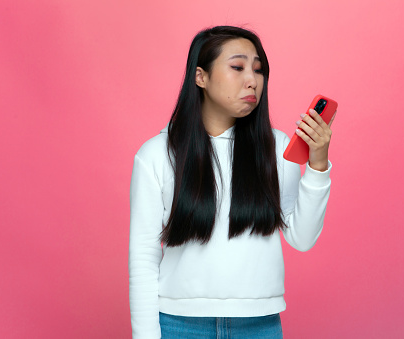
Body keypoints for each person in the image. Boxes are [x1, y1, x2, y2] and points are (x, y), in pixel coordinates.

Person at [129, 25, 333, 339]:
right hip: (180, 326)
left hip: (259, 326)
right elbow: (144, 255)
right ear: (201, 77)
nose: (252, 80)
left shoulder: (276, 148)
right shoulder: (157, 154)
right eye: (237, 67)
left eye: (258, 70)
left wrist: (318, 164)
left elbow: (302, 238)